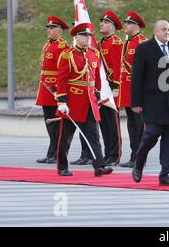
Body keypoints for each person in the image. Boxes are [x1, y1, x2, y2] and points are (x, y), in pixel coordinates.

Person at [130, 19, 169, 186]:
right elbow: (137, 78)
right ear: (155, 31)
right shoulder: (144, 49)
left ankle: (165, 174)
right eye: (164, 29)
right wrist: (136, 102)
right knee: (151, 135)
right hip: (152, 102)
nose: (167, 32)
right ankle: (139, 163)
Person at [55, 23, 113, 177]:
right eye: (83, 36)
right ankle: (62, 166)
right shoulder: (68, 55)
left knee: (94, 135)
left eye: (88, 36)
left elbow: (96, 78)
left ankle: (99, 166)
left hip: (89, 102)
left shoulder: (94, 53)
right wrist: (62, 102)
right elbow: (61, 80)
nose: (87, 38)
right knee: (66, 136)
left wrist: (98, 95)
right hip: (73, 102)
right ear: (76, 37)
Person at [35, 15, 69, 164]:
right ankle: (51, 151)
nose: (49, 30)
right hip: (45, 88)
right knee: (49, 122)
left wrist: (58, 89)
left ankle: (57, 153)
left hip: (54, 89)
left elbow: (63, 70)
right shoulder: (48, 45)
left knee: (57, 124)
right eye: (48, 28)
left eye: (52, 28)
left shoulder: (62, 46)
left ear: (60, 30)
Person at [118, 11, 148, 168]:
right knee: (131, 125)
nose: (125, 26)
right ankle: (134, 155)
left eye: (128, 23)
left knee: (139, 125)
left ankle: (139, 157)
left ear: (136, 26)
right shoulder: (129, 42)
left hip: (138, 91)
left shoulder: (142, 42)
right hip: (127, 90)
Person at [98, 10, 123, 166]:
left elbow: (119, 67)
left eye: (106, 22)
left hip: (112, 89)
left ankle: (114, 155)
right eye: (101, 22)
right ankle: (107, 153)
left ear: (113, 27)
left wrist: (116, 87)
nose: (101, 24)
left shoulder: (116, 43)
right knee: (104, 123)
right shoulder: (100, 43)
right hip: (101, 89)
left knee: (113, 124)